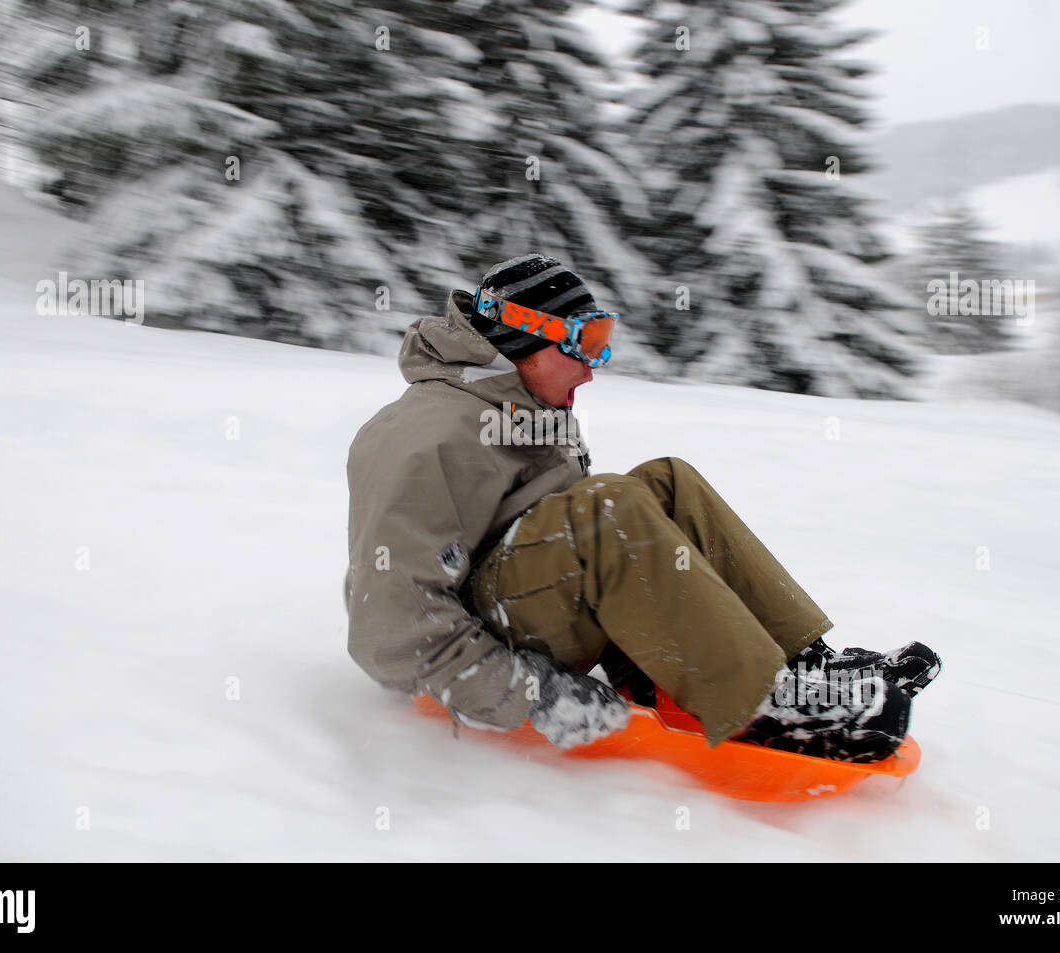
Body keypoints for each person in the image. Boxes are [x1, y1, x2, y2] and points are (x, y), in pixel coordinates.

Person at [344, 253, 941, 761]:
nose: (592, 370)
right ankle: (760, 704)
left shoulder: (522, 407)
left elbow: (547, 533)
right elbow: (388, 629)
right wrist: (531, 692)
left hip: (540, 603)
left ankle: (799, 665)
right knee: (608, 504)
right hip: (478, 640)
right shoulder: (425, 435)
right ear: (517, 340)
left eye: (600, 343)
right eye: (582, 345)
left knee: (666, 481)